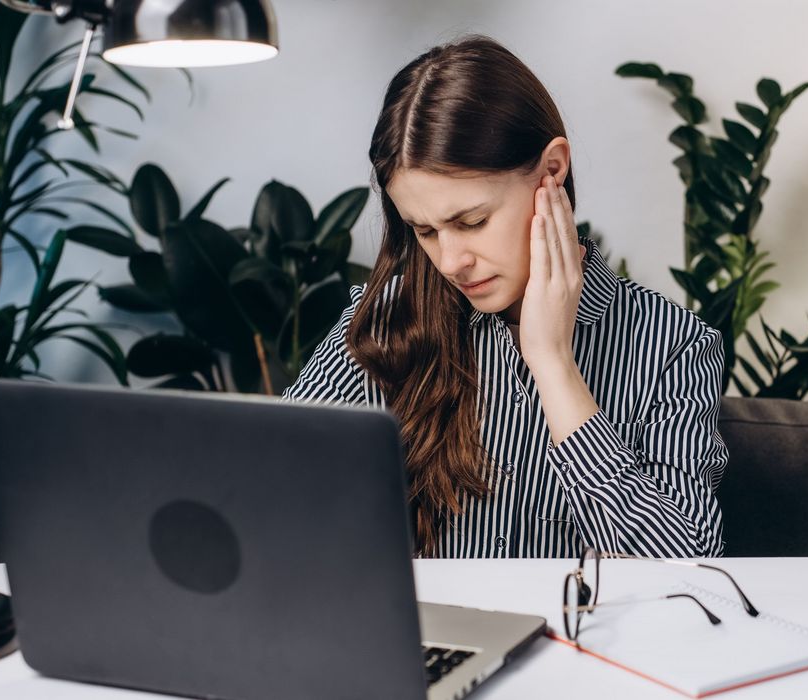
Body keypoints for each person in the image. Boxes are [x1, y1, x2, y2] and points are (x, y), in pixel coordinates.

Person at [283, 35, 727, 559]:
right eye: (424, 231)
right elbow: (265, 487)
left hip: (579, 640)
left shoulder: (674, 345)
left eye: (471, 222)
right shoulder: (382, 320)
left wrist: (553, 364)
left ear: (552, 171)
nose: (450, 262)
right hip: (424, 639)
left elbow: (684, 563)